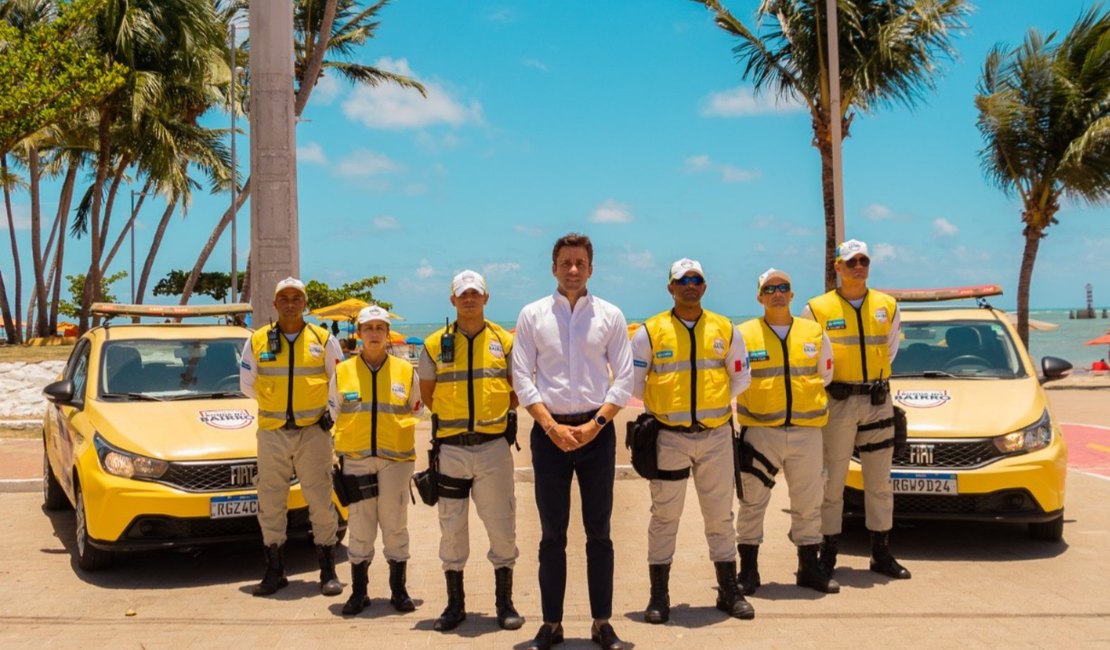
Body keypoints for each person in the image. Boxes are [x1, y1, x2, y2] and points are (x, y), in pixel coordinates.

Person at [512, 233, 634, 650]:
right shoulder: (531, 315)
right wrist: (551, 427)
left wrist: (594, 425)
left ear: (591, 268)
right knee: (552, 535)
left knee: (599, 532)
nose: (573, 270)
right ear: (553, 268)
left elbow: (625, 379)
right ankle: (551, 624)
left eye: (580, 262)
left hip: (596, 435)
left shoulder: (611, 315)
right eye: (566, 262)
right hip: (549, 437)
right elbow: (522, 378)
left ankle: (602, 623)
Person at [631, 258, 754, 623]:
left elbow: (740, 378)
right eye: (682, 280)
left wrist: (710, 409)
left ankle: (729, 592)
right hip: (669, 438)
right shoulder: (650, 332)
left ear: (704, 286)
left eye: (696, 279)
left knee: (719, 516)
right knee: (665, 517)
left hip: (716, 437)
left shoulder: (725, 328)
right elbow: (636, 385)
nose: (690, 285)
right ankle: (659, 596)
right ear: (670, 287)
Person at [418, 270, 524, 632]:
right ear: (452, 300)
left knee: (502, 525)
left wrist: (490, 418)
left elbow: (516, 391)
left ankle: (505, 603)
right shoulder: (434, 344)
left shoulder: (504, 342)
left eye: (475, 294)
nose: (469, 300)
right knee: (452, 527)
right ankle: (454, 605)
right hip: (451, 450)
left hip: (493, 447)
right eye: (462, 294)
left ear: (486, 298)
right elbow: (429, 394)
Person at [802, 240, 911, 580]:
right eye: (851, 261)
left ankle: (881, 552)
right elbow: (812, 358)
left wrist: (871, 381)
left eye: (863, 260)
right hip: (838, 403)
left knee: (879, 482)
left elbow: (889, 350)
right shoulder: (817, 309)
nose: (858, 266)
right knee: (832, 481)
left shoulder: (887, 305)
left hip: (877, 402)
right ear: (837, 267)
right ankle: (828, 554)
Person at [735, 268, 838, 595]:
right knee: (753, 502)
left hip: (806, 433)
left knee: (809, 503)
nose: (777, 292)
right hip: (761, 434)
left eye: (783, 287)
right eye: (769, 288)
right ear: (759, 297)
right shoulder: (744, 334)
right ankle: (748, 572)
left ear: (792, 295)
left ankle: (809, 568)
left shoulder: (814, 332)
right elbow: (735, 378)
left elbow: (826, 375)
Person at [240, 277, 343, 597]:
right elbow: (247, 384)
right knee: (270, 502)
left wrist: (330, 416)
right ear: (274, 304)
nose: (289, 303)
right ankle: (274, 570)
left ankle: (327, 570)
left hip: (313, 433)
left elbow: (340, 381)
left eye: (296, 298)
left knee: (320, 501)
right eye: (283, 298)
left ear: (305, 303)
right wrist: (274, 407)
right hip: (272, 434)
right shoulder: (257, 340)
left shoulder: (323, 339)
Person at [332, 305, 421, 616]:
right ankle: (359, 592)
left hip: (395, 461)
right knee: (360, 526)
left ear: (386, 334)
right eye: (368, 328)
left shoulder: (405, 371)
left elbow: (417, 409)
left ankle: (399, 591)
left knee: (395, 525)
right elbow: (332, 412)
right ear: (359, 334)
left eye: (379, 328)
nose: (373, 334)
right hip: (356, 461)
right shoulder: (342, 372)